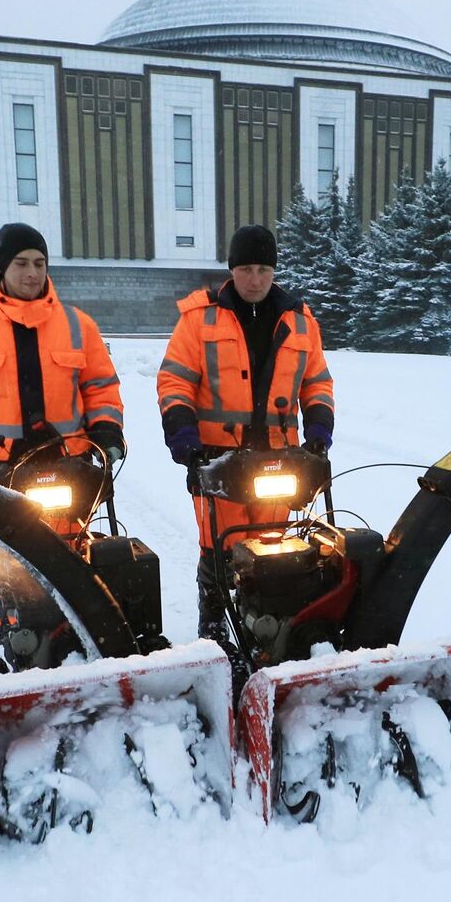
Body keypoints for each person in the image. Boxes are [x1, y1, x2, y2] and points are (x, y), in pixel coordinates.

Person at [157, 223, 334, 638]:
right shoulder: (199, 319)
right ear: (232, 269)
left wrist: (320, 429)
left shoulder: (300, 320)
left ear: (273, 271)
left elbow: (317, 382)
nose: (255, 279)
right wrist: (184, 437)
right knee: (219, 549)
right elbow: (174, 381)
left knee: (276, 546)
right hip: (217, 460)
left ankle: (269, 625)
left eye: (263, 269)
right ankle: (214, 625)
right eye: (247, 269)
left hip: (279, 458)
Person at [0, 222, 125, 474]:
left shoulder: (80, 325)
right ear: (3, 267)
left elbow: (101, 389)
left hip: (71, 464)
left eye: (39, 263)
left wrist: (107, 430)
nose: (32, 272)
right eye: (21, 263)